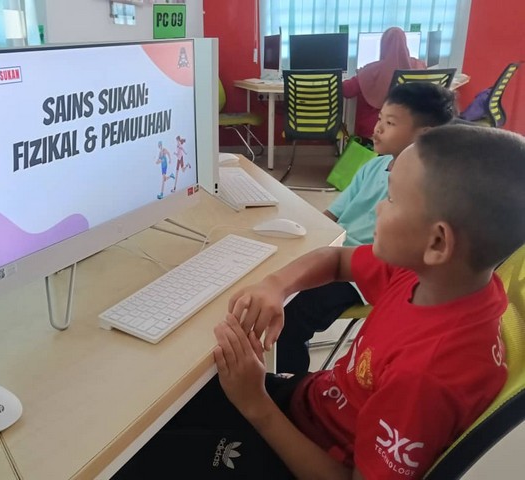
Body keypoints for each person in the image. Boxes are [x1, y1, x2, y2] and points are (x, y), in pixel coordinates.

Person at [113, 125, 525, 479]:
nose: (377, 208)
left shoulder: (426, 377)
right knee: (158, 414)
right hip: (308, 406)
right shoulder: (436, 277)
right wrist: (275, 285)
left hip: (307, 456)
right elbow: (336, 259)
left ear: (437, 242)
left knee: (134, 461)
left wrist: (256, 405)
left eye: (391, 199)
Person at [278, 81, 456, 373]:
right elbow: (332, 215)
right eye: (379, 118)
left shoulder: (425, 187)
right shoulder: (373, 166)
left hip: (363, 275)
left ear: (424, 135)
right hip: (336, 255)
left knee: (291, 314)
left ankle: (288, 382)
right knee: (277, 280)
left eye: (390, 123)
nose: (378, 128)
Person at [344, 27, 426, 140]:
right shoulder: (419, 66)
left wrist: (361, 76)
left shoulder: (371, 70)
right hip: (409, 129)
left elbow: (347, 91)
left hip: (374, 130)